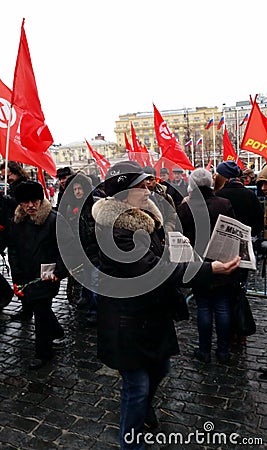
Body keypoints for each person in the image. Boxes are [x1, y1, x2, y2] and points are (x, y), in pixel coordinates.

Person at [92, 160, 240, 449]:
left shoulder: (146, 219)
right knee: (137, 387)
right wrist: (211, 270)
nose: (148, 188)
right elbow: (156, 271)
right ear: (123, 194)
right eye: (140, 185)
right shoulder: (116, 232)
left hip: (152, 315)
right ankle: (130, 443)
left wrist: (175, 245)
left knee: (160, 371)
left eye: (147, 182)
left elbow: (159, 258)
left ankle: (143, 411)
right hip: (127, 322)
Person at [8, 181, 73, 369]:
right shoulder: (17, 221)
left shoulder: (54, 219)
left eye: (34, 201)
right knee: (38, 307)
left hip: (47, 275)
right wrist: (17, 276)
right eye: (25, 202)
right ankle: (57, 331)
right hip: (26, 276)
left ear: (40, 200)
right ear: (20, 203)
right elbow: (13, 250)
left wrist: (60, 272)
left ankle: (43, 353)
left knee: (41, 310)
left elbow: (68, 248)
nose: (30, 206)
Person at [177, 168, 236, 363]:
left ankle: (204, 351)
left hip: (198, 264)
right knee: (222, 307)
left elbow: (179, 233)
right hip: (222, 261)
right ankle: (224, 351)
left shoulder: (186, 207)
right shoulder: (224, 203)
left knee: (203, 307)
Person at [61, 172, 99, 324]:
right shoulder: (70, 208)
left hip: (95, 252)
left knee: (96, 283)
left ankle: (96, 311)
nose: (77, 192)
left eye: (80, 189)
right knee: (86, 281)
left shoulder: (95, 204)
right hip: (80, 253)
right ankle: (88, 306)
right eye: (74, 189)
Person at [143, 166, 177, 237]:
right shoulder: (135, 197)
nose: (148, 182)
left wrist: (166, 233)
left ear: (156, 180)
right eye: (145, 179)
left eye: (151, 179)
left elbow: (171, 218)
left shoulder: (165, 197)